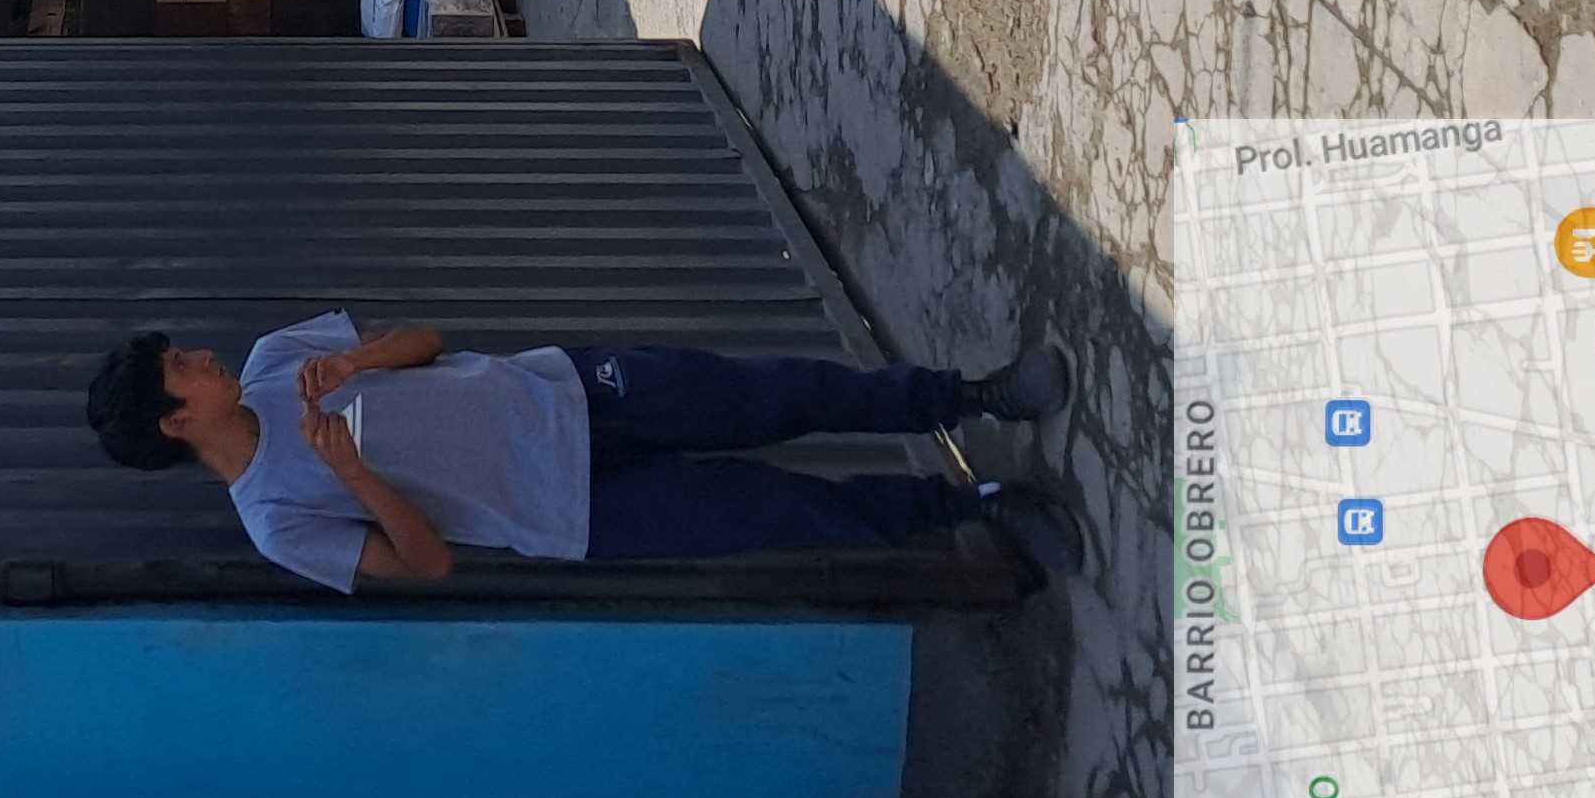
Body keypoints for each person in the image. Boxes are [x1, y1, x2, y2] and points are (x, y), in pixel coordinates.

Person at [85, 312, 1085, 591]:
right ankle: (979, 506)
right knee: (788, 510)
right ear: (175, 422)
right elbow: (426, 565)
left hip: (571, 390)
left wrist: (356, 359)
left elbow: (427, 340)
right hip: (578, 512)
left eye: (185, 351)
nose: (202, 357)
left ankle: (973, 396)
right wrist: (353, 473)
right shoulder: (275, 522)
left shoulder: (276, 359)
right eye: (181, 368)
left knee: (780, 391)